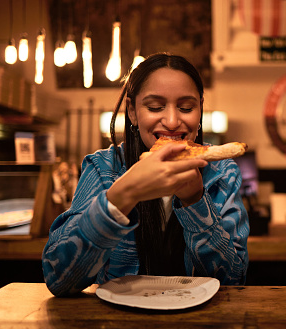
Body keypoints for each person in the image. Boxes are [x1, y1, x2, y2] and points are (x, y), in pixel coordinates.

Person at [42, 53, 250, 296]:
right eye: (155, 107)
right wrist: (123, 195)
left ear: (200, 111)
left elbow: (233, 281)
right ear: (132, 111)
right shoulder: (103, 167)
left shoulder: (222, 172)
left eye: (186, 107)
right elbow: (59, 279)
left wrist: (195, 200)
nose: (172, 122)